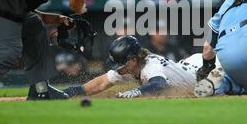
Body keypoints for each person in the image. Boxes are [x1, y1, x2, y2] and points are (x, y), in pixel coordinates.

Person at [63, 36, 219, 98]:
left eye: (120, 64)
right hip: (188, 65)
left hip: (207, 70)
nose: (117, 69)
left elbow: (158, 84)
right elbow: (100, 83)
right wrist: (67, 93)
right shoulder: (130, 68)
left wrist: (135, 92)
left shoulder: (151, 67)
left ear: (132, 61)